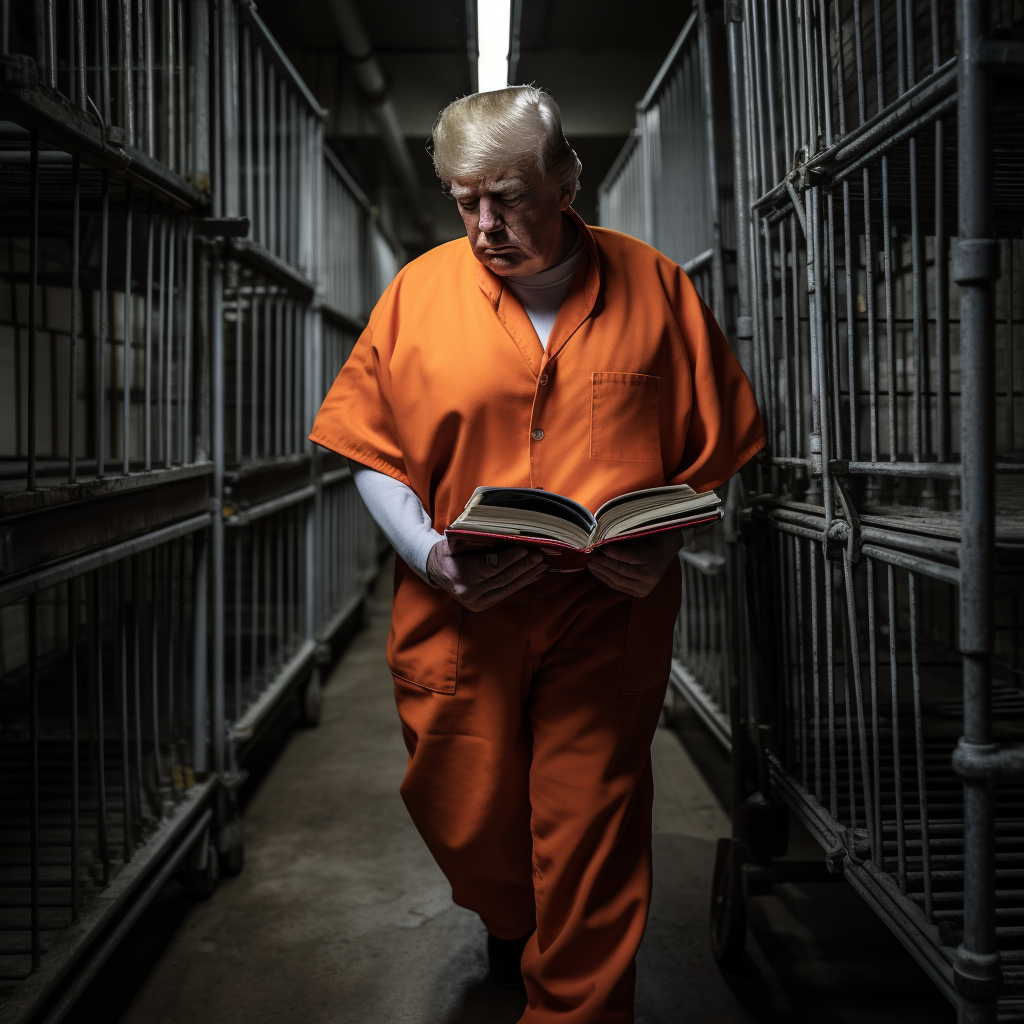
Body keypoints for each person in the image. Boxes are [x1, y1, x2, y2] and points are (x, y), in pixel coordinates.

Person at [310, 85, 764, 1023]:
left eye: (510, 196)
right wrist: (434, 557)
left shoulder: (659, 288)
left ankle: (573, 1006)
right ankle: (510, 919)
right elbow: (366, 450)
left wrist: (670, 543)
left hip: (609, 605)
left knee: (592, 827)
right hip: (459, 606)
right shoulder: (419, 293)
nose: (485, 224)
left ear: (567, 180)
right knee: (466, 812)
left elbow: (715, 455)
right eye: (463, 199)